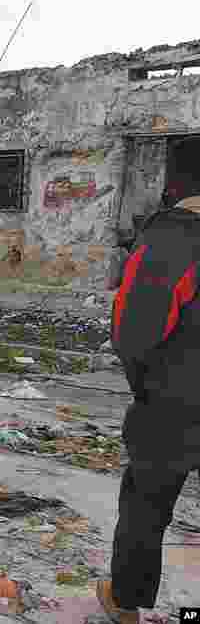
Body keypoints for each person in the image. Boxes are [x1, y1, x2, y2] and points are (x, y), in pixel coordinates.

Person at [99, 180, 200, 624]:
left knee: (146, 506)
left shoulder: (172, 240)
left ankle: (126, 601)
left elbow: (132, 336)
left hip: (175, 403)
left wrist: (148, 389)